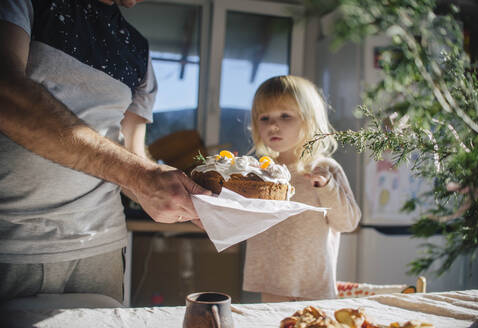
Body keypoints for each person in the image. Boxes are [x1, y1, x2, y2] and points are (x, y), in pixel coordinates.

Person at [0, 0, 210, 303]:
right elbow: (6, 93)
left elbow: (133, 153)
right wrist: (140, 175)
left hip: (101, 247)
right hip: (11, 243)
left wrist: (187, 200)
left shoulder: (138, 48)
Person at [243, 75, 361, 302]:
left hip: (313, 286)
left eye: (285, 116)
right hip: (272, 282)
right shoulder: (260, 172)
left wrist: (327, 187)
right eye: (264, 117)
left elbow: (347, 222)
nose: (273, 125)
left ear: (310, 120)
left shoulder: (324, 169)